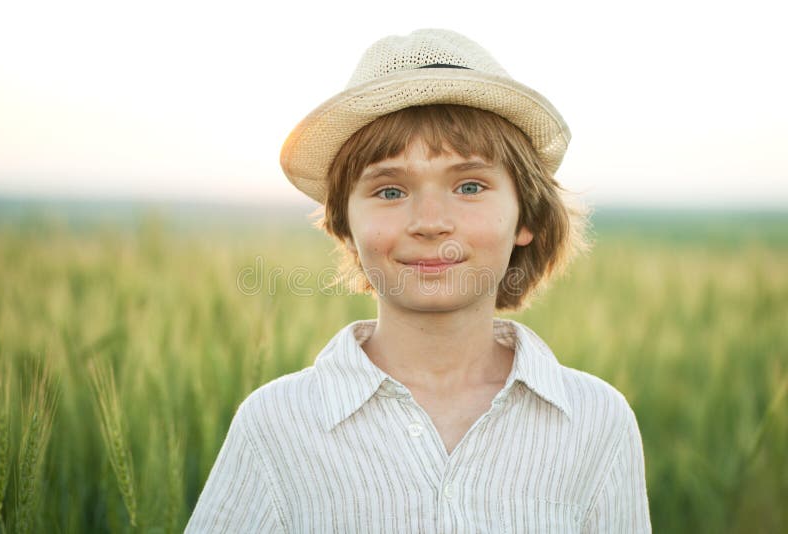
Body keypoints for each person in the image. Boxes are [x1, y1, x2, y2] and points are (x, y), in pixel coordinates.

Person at [186, 28, 651, 533]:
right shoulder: (275, 425)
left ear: (526, 217)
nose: (429, 221)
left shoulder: (597, 422)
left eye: (469, 186)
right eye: (389, 191)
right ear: (346, 225)